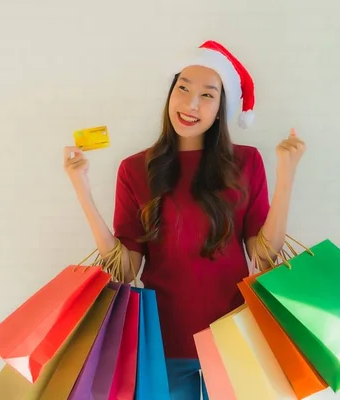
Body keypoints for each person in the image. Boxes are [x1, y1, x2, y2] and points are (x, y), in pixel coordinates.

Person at [63, 40, 306, 399]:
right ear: (170, 94)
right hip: (162, 343)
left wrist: (286, 172)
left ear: (221, 108)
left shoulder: (247, 162)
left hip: (235, 339)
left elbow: (265, 257)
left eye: (208, 95)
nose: (191, 104)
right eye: (183, 88)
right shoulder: (134, 169)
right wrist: (81, 187)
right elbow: (126, 270)